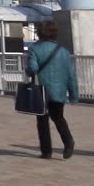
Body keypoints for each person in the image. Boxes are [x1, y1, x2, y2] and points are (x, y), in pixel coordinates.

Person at [26, 20, 77, 160]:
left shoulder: (34, 49)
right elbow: (70, 75)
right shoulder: (63, 51)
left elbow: (33, 69)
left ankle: (46, 151)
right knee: (58, 117)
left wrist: (28, 71)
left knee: (42, 120)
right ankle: (68, 142)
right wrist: (73, 94)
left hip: (41, 90)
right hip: (59, 90)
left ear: (39, 33)